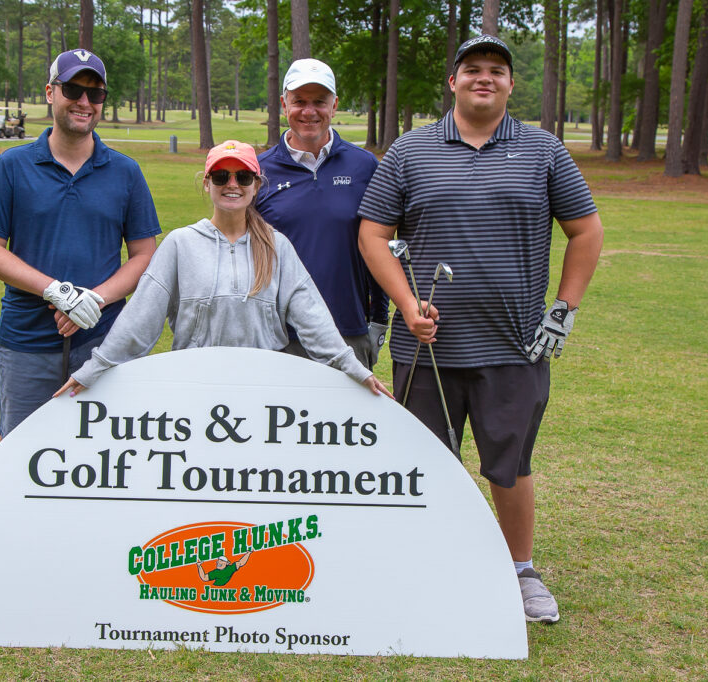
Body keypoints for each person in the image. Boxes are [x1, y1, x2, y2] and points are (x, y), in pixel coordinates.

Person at [357, 35, 604, 624]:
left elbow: (586, 230)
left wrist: (563, 308)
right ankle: (427, 565)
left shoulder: (544, 150)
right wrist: (406, 303)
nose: (484, 78)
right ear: (453, 82)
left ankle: (520, 572)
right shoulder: (410, 150)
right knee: (423, 462)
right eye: (472, 69)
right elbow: (373, 233)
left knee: (510, 465)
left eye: (496, 70)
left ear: (511, 84)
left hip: (514, 345)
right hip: (427, 348)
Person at [55, 140, 391, 398]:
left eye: (243, 177)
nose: (232, 184)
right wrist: (95, 368)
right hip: (194, 387)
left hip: (264, 391)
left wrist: (353, 367)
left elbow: (312, 317)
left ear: (256, 185)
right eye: (221, 176)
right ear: (207, 183)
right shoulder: (180, 244)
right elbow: (141, 319)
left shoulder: (277, 246)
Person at [0, 49, 161, 436]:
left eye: (96, 93)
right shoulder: (13, 165)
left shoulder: (125, 171)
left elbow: (144, 255)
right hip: (27, 340)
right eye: (73, 90)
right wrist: (56, 292)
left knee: (105, 455)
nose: (84, 102)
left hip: (103, 342)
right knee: (23, 452)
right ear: (50, 93)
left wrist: (95, 299)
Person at [256, 58, 389, 371]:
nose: (309, 111)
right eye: (299, 101)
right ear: (283, 104)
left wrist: (379, 320)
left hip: (348, 329)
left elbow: (379, 247)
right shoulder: (259, 170)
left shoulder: (364, 166)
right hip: (280, 335)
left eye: (319, 101)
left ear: (334, 105)